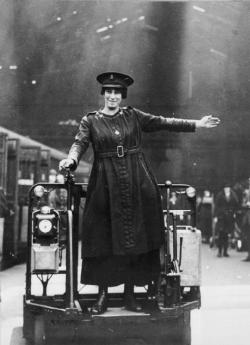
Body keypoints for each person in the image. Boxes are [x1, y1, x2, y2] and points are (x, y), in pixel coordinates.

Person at [59, 71, 220, 314]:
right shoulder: (90, 120)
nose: (113, 96)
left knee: (138, 237)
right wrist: (71, 160)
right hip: (105, 182)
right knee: (103, 237)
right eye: (109, 92)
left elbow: (163, 122)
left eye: (117, 92)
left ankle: (131, 296)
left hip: (137, 180)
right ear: (103, 94)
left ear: (122, 96)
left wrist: (196, 124)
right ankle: (102, 296)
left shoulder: (133, 116)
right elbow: (80, 143)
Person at [214, 183, 239, 257]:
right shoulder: (220, 195)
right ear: (224, 189)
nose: (227, 190)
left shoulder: (233, 195)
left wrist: (234, 212)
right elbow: (216, 205)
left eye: (228, 188)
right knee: (221, 234)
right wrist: (215, 216)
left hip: (229, 217)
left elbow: (236, 204)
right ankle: (219, 251)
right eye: (226, 188)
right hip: (221, 217)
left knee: (227, 235)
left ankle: (225, 251)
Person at [241, 178, 250, 261]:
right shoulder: (247, 193)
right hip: (247, 219)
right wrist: (246, 204)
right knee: (248, 237)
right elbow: (242, 204)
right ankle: (249, 255)